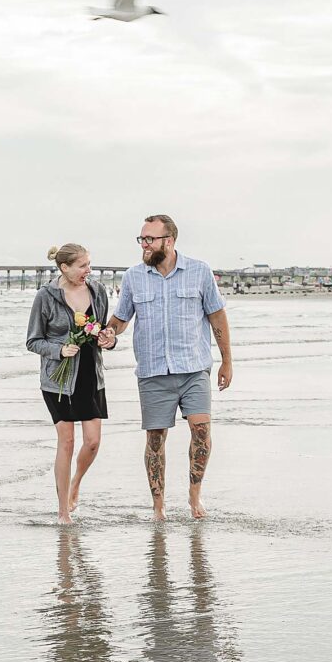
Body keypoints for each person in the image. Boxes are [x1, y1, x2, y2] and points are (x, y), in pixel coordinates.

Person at [98, 214, 233, 521]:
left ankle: (194, 496)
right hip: (153, 371)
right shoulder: (134, 276)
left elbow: (217, 317)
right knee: (155, 438)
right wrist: (109, 332)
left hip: (193, 368)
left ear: (168, 241)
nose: (144, 244)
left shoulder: (199, 272)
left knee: (202, 432)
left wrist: (227, 360)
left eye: (149, 239)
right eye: (142, 239)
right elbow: (122, 318)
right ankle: (158, 505)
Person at [27, 243, 114, 524]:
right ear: (64, 267)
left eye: (89, 264)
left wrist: (108, 340)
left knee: (92, 442)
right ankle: (63, 511)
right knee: (66, 442)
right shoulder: (46, 296)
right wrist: (59, 350)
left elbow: (103, 331)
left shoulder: (98, 292)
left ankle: (76, 482)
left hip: (91, 374)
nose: (88, 271)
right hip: (59, 381)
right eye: (83, 266)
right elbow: (33, 340)